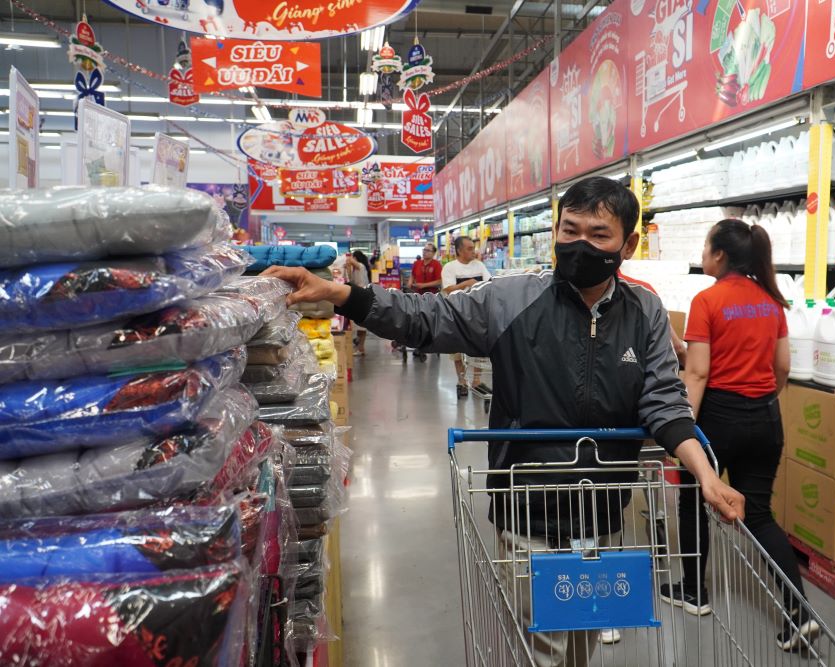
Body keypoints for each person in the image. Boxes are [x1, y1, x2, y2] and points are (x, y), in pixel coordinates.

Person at [264, 176, 744, 667]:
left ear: (629, 244)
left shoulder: (646, 313)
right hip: (528, 510)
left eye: (598, 235)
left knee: (584, 642)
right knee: (542, 647)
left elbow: (665, 403)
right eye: (569, 230)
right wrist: (345, 295)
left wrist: (705, 475)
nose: (580, 244)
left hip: (603, 513)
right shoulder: (512, 299)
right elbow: (425, 319)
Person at [666, 218, 817, 651]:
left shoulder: (707, 300)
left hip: (718, 417)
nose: (702, 253)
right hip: (766, 417)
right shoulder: (772, 301)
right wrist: (764, 403)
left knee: (695, 497)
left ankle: (694, 592)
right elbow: (783, 366)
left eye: (705, 245)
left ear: (719, 255)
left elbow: (696, 372)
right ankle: (799, 612)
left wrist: (684, 432)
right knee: (759, 514)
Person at [441, 235, 492, 397]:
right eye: (469, 249)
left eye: (473, 248)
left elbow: (490, 283)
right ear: (459, 251)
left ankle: (477, 381)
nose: (473, 251)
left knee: (480, 347)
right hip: (456, 312)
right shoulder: (450, 267)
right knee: (457, 349)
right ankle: (461, 381)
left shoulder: (479, 265)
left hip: (478, 313)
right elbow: (448, 289)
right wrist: (466, 284)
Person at [345, 250, 372, 356]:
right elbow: (350, 279)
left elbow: (351, 261)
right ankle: (360, 348)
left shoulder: (360, 266)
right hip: (359, 296)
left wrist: (347, 258)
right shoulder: (356, 269)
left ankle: (361, 348)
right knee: (360, 326)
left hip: (362, 297)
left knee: (361, 325)